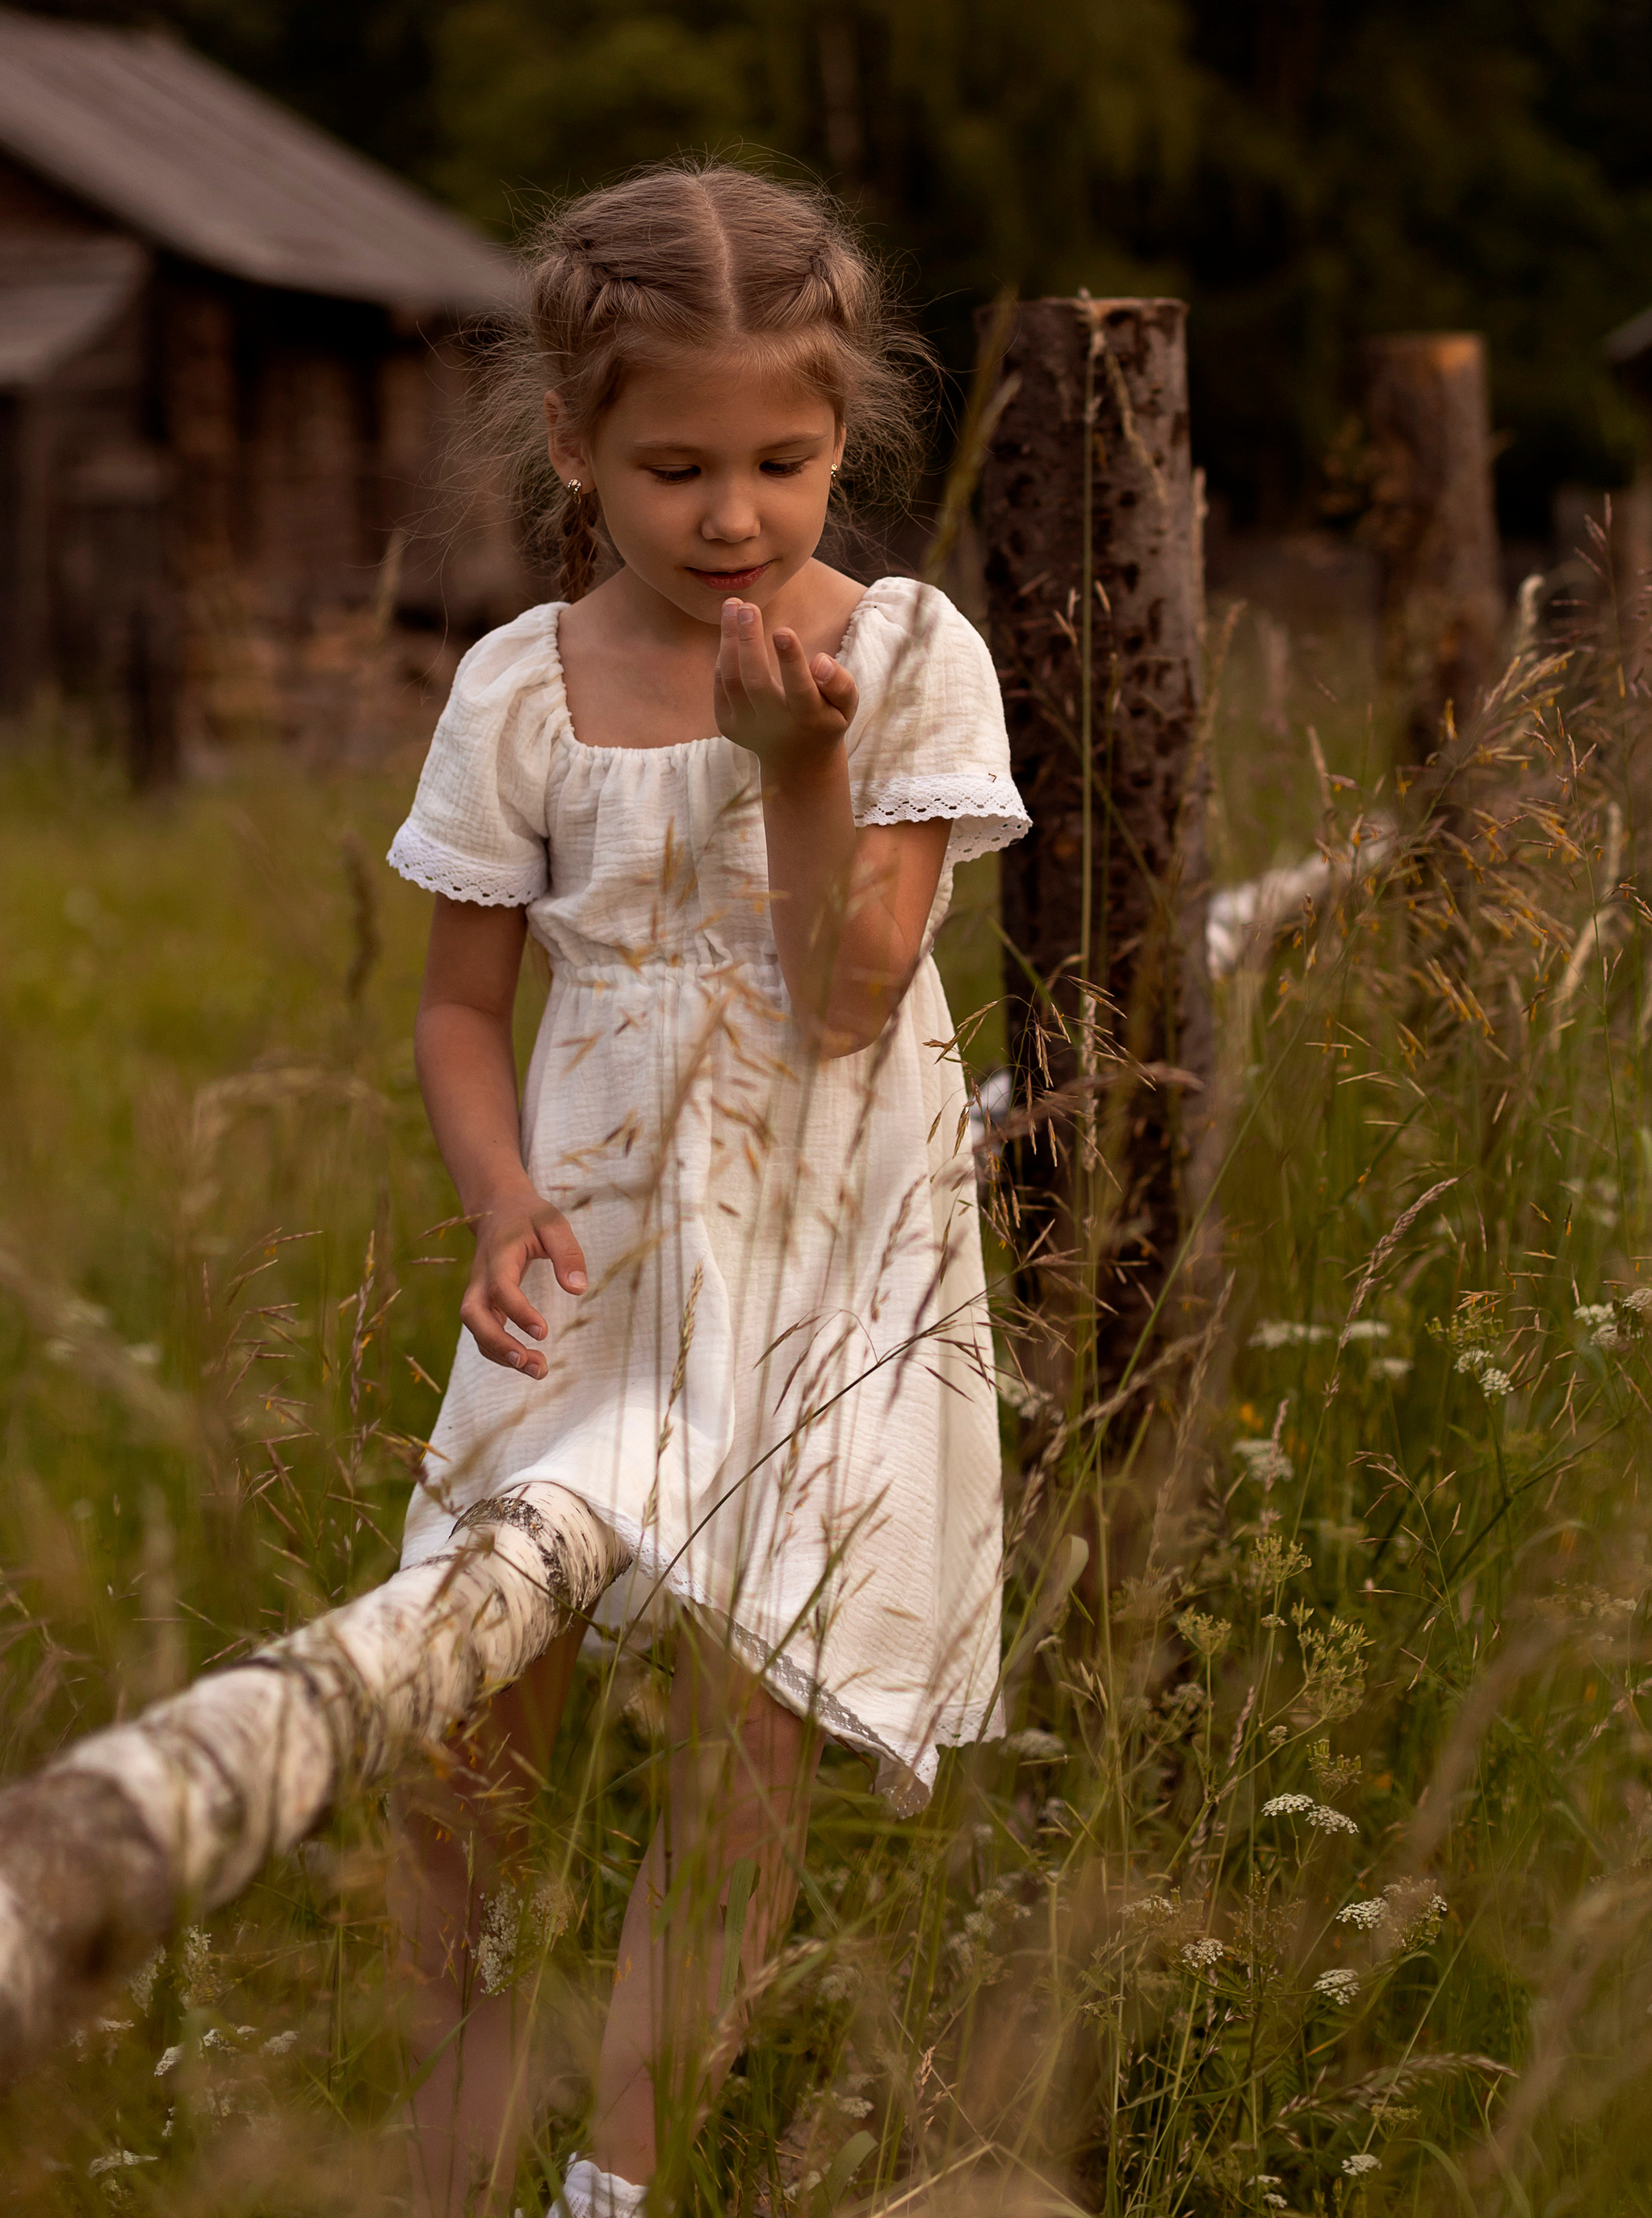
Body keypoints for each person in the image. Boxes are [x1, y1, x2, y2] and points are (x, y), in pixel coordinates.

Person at [383, 165, 1028, 2217]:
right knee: (461, 1719)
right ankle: (442, 2162)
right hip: (588, 1248)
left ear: (848, 442)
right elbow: (462, 1011)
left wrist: (796, 763)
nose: (734, 514)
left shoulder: (907, 659)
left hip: (826, 1255)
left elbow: (850, 1000)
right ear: (573, 448)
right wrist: (494, 1202)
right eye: (674, 466)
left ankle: (620, 2185)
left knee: (742, 1751)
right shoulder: (516, 688)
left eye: (785, 459)